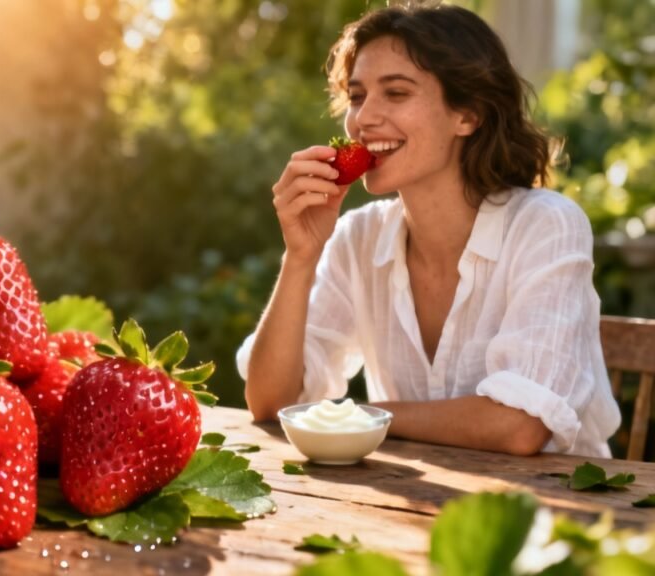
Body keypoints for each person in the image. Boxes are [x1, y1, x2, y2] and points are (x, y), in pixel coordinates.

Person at [236, 4, 620, 458]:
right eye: (357, 96)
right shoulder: (357, 237)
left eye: (396, 93)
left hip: (552, 499)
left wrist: (359, 417)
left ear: (468, 114)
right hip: (415, 496)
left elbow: (520, 426)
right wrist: (300, 256)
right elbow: (271, 403)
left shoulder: (545, 225)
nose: (363, 119)